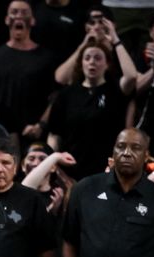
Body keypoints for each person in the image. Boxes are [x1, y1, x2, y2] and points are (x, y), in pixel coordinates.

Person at [63, 129, 154, 257]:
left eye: (136, 148)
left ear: (146, 156)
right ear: (113, 152)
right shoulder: (85, 189)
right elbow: (68, 241)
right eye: (121, 147)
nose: (126, 153)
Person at [46, 37, 138, 180]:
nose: (92, 62)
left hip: (106, 170)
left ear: (107, 64)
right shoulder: (67, 94)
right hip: (71, 169)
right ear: (81, 63)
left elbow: (132, 76)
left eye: (97, 58)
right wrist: (52, 165)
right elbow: (54, 135)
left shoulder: (115, 91)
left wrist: (115, 40)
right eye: (87, 58)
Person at [0, 1, 57, 140]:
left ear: (33, 20)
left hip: (34, 132)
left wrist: (41, 125)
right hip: (0, 131)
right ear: (6, 19)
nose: (19, 16)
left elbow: (55, 96)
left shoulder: (47, 58)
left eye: (24, 13)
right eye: (14, 12)